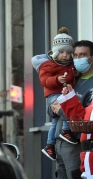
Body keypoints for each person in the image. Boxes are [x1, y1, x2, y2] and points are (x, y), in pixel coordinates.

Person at [39, 40, 93, 179]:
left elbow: (86, 116)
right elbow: (51, 110)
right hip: (59, 144)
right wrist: (53, 108)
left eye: (83, 55)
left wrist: (61, 110)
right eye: (76, 55)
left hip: (75, 146)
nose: (77, 59)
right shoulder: (72, 78)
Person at [31, 27, 78, 162]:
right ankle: (66, 130)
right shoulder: (48, 65)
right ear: (55, 52)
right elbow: (44, 80)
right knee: (66, 108)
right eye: (62, 52)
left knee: (54, 121)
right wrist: (57, 79)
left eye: (68, 53)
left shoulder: (70, 65)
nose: (65, 55)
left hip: (64, 93)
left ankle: (49, 145)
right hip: (54, 95)